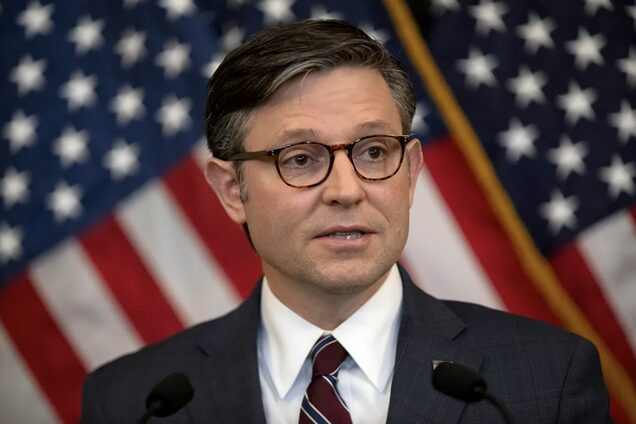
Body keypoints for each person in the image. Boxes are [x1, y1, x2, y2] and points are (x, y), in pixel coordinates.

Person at [81, 19, 611, 423]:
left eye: (374, 152)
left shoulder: (546, 379)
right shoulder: (134, 402)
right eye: (300, 159)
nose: (346, 190)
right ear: (231, 190)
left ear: (411, 173)